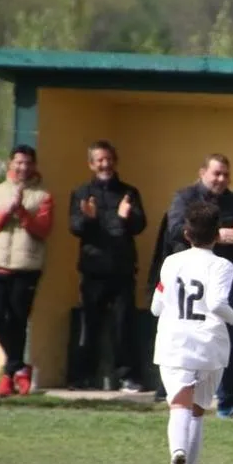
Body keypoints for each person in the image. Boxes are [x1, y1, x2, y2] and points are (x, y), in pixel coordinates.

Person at [150, 201, 233, 464]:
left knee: (178, 407)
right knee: (197, 412)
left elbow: (156, 307)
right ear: (217, 235)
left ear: (186, 233)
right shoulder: (223, 266)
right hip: (209, 343)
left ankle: (177, 454)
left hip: (174, 342)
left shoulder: (171, 263)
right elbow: (216, 304)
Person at [165, 153, 233, 418]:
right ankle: (184, 399)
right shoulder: (184, 198)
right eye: (216, 173)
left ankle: (227, 401)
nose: (221, 179)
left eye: (226, 174)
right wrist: (219, 236)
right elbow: (173, 231)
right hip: (191, 283)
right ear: (202, 172)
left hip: (229, 282)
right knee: (193, 340)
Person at [68, 140, 148, 392]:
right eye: (99, 160)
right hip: (93, 270)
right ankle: (82, 377)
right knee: (89, 326)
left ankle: (128, 377)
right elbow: (75, 227)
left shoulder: (129, 193)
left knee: (124, 325)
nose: (105, 164)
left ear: (115, 160)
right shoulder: (81, 193)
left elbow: (139, 225)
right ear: (91, 164)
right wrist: (91, 219)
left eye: (108, 159)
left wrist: (127, 216)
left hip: (122, 270)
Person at [0, 144, 54, 399]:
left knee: (18, 321)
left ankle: (8, 376)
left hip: (26, 268)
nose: (22, 167)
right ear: (10, 164)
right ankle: (18, 366)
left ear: (34, 166)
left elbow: (42, 229)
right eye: (18, 162)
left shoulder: (43, 196)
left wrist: (21, 211)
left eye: (28, 163)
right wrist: (5, 212)